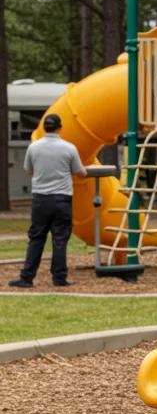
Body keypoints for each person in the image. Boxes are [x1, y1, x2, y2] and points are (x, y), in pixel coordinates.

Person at [9, 113, 87, 289]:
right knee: (59, 239)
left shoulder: (34, 148)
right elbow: (80, 172)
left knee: (36, 238)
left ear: (44, 127)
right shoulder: (69, 148)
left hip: (40, 199)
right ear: (60, 127)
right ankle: (59, 278)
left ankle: (27, 278)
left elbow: (29, 170)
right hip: (62, 198)